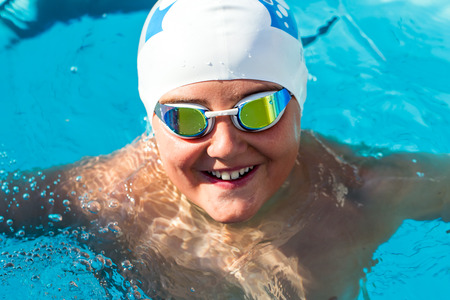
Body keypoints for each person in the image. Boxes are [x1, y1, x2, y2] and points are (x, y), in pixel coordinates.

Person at [1, 0, 449, 299]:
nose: (226, 146)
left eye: (258, 110)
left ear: (299, 103)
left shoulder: (366, 192)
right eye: (187, 118)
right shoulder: (103, 200)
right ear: (153, 122)